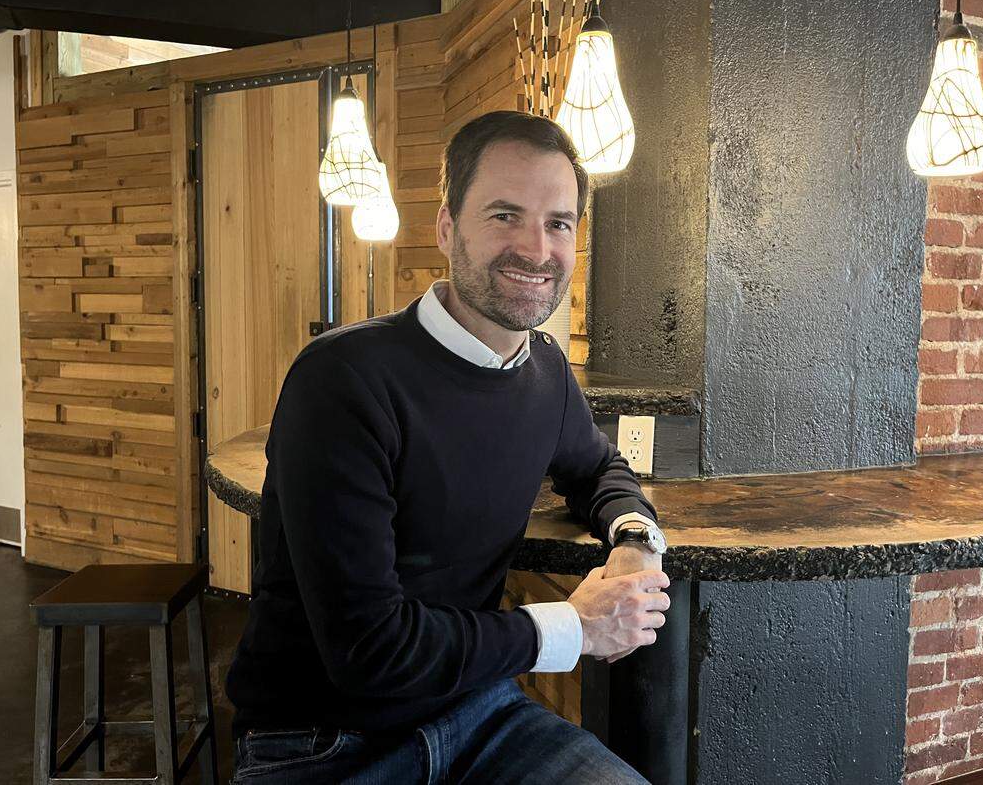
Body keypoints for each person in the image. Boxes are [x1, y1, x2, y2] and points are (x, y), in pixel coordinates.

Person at [226, 110, 672, 784]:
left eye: (558, 223)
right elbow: (370, 651)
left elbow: (599, 466)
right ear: (445, 228)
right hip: (324, 739)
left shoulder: (545, 372)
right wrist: (573, 626)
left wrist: (634, 540)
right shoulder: (343, 378)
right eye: (504, 215)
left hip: (479, 711)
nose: (536, 247)